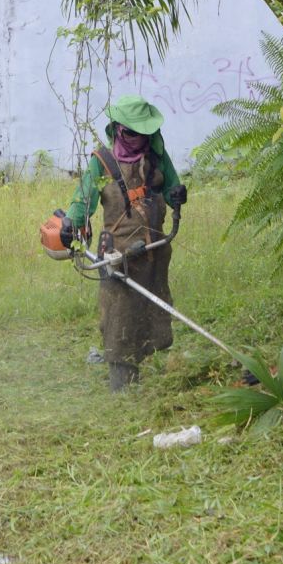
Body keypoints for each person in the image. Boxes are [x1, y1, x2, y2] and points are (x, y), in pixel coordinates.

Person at [63, 95, 188, 391]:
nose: (140, 139)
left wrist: (178, 194)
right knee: (119, 318)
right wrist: (72, 222)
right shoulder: (102, 163)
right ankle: (121, 386)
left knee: (150, 311)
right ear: (119, 129)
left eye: (145, 133)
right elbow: (83, 201)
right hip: (117, 255)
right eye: (133, 133)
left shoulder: (156, 156)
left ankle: (141, 372)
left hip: (154, 250)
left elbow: (172, 187)